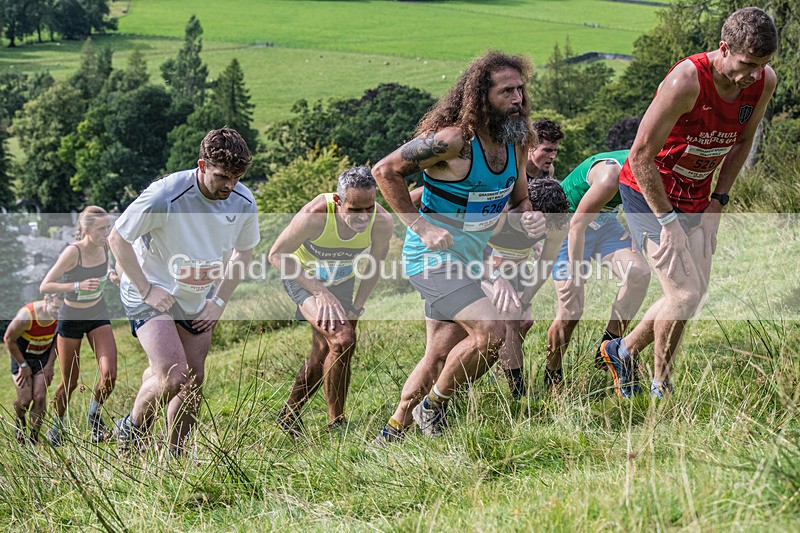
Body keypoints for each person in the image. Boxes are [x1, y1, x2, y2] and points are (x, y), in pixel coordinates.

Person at [372, 50, 546, 443]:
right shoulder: (454, 142)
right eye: (506, 91)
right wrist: (421, 227)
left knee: (439, 354)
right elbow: (385, 171)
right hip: (431, 259)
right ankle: (433, 406)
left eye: (520, 90)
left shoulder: (517, 142)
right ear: (482, 96)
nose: (517, 99)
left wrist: (529, 216)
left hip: (469, 261)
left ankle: (392, 431)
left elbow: (519, 199)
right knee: (492, 331)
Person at [604, 7, 778, 398]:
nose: (755, 74)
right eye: (748, 64)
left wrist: (718, 202)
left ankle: (623, 350)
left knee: (693, 296)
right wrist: (668, 224)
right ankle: (660, 387)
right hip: (649, 190)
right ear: (724, 48)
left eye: (763, 64)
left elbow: (743, 141)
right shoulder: (685, 81)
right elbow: (640, 156)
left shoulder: (763, 81)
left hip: (697, 196)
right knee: (682, 294)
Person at [109, 127, 259, 455]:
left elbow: (244, 253)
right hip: (151, 289)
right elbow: (117, 238)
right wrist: (146, 289)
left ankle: (176, 457)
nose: (230, 186)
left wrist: (218, 301)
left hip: (197, 294)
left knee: (192, 379)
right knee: (174, 376)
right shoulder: (166, 195)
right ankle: (131, 428)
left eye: (237, 177)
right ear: (202, 166)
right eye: (222, 176)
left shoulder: (244, 200)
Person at [269, 166, 393, 436]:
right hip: (303, 278)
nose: (363, 217)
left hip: (342, 281)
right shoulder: (315, 216)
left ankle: (288, 415)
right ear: (338, 201)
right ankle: (336, 424)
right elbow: (276, 255)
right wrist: (319, 292)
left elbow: (374, 266)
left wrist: (357, 308)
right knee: (343, 339)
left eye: (369, 208)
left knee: (325, 350)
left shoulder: (382, 222)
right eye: (355, 210)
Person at [545, 135, 652, 391]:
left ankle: (610, 346)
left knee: (639, 273)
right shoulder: (609, 176)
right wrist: (575, 275)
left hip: (605, 223)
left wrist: (638, 231)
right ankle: (552, 373)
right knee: (571, 310)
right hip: (568, 226)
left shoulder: (654, 169)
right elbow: (577, 226)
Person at [484, 177, 570, 399]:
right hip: (481, 266)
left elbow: (545, 264)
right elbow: (469, 250)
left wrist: (525, 300)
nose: (544, 232)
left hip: (516, 267)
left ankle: (503, 365)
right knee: (511, 317)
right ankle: (518, 394)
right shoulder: (501, 214)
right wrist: (495, 277)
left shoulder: (559, 223)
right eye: (542, 226)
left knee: (523, 321)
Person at [40, 206, 119, 446]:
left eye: (108, 228)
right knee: (70, 382)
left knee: (109, 376)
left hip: (97, 313)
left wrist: (112, 273)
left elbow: (106, 266)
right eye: (101, 229)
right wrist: (77, 286)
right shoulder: (73, 252)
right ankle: (58, 425)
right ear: (86, 229)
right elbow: (45, 286)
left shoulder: (105, 245)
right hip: (72, 317)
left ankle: (94, 416)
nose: (106, 233)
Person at [5, 294, 63, 445]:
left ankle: (33, 438)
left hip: (42, 359)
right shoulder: (27, 316)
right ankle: (20, 423)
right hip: (22, 358)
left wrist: (50, 365)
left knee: (40, 397)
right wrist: (23, 365)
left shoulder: (61, 314)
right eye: (55, 308)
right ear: (46, 300)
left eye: (61, 308)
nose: (58, 312)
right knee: (25, 400)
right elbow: (8, 339)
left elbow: (58, 339)